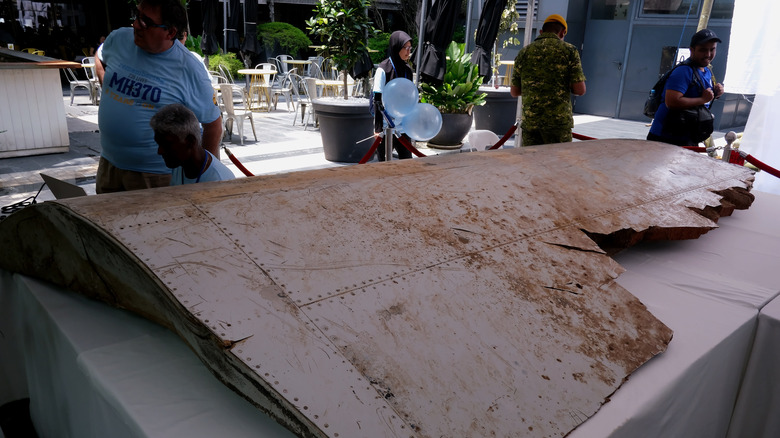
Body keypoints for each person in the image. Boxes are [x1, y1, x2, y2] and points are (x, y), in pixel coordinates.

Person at [94, 0, 222, 193]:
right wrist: (106, 85)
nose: (136, 25)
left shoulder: (189, 69)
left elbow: (213, 126)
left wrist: (204, 177)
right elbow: (100, 55)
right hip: (108, 164)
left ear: (170, 32)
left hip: (155, 176)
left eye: (146, 22)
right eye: (137, 16)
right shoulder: (119, 39)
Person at [510, 14, 586, 146]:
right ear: (562, 33)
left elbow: (514, 92)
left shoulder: (524, 52)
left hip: (531, 123)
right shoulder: (569, 51)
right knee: (557, 164)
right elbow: (580, 90)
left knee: (530, 163)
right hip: (558, 125)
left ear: (541, 32)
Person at [647, 29, 725, 146]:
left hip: (687, 134)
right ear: (692, 50)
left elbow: (700, 95)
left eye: (712, 49)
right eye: (703, 50)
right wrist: (703, 99)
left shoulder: (706, 70)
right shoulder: (683, 71)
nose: (708, 54)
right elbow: (672, 101)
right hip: (666, 137)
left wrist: (715, 93)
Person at [151, 103, 234, 185]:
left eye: (166, 145)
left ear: (190, 141)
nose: (160, 151)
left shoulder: (219, 181)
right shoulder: (181, 166)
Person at [372, 30, 415, 161]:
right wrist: (378, 128)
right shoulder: (383, 69)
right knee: (384, 165)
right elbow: (377, 99)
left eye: (410, 48)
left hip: (402, 126)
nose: (408, 51)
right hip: (386, 126)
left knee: (407, 161)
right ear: (396, 47)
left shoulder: (408, 69)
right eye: (405, 48)